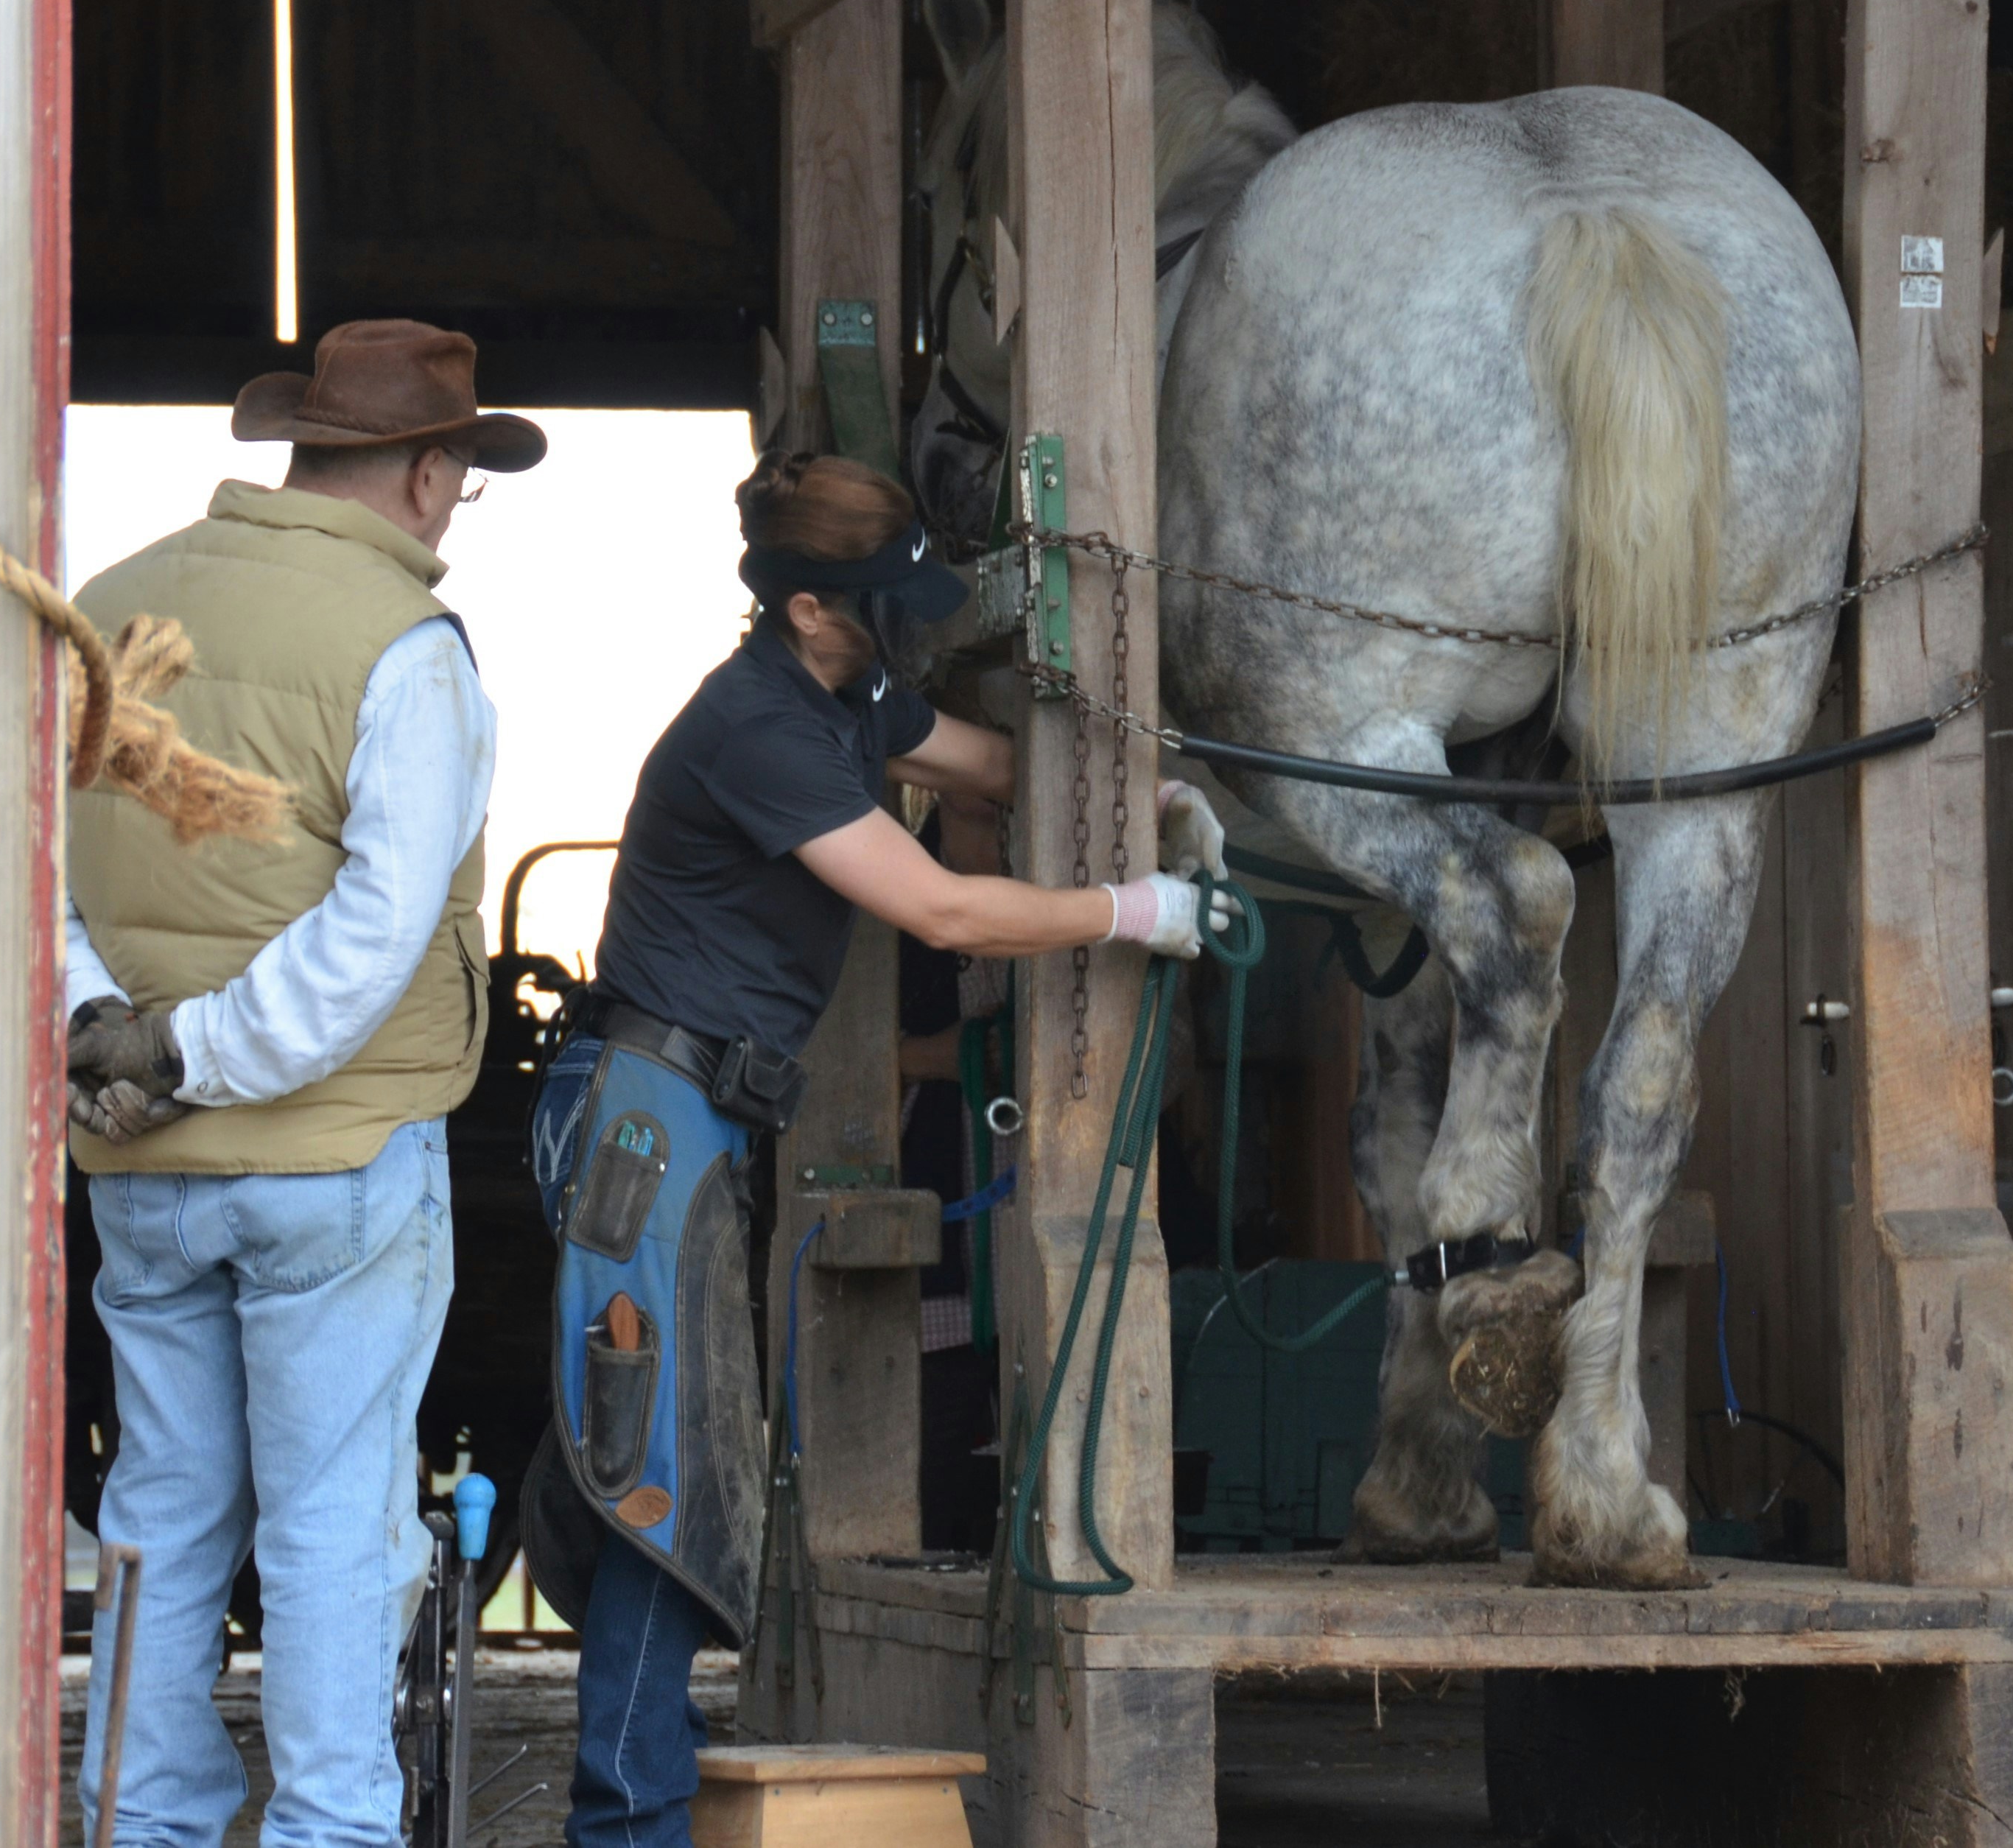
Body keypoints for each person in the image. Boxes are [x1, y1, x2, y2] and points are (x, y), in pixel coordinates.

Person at [522, 452, 1229, 1848]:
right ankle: (627, 1828)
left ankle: (635, 1812)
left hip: (690, 1119)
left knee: (662, 1467)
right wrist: (1130, 908)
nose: (907, 624)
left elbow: (993, 763)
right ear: (803, 608)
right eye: (878, 602)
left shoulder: (842, 701)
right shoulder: (757, 730)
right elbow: (943, 911)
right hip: (645, 1127)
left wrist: (1157, 792)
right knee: (657, 1483)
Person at [61, 317, 545, 1848]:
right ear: (423, 473)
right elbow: (374, 933)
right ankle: (328, 1829)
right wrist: (201, 1054)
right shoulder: (404, 650)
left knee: (160, 1503)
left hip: (134, 1158)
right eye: (461, 485)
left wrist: (103, 1039)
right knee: (337, 1517)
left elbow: (41, 872)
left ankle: (142, 1821)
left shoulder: (111, 607)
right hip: (331, 1154)